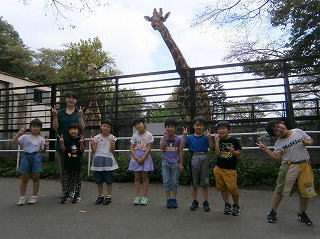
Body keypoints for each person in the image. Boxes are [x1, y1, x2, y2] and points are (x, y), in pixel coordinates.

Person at [257, 120, 317, 225]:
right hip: (288, 166)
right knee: (280, 190)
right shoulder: (279, 143)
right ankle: (273, 211)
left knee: (306, 190)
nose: (279, 130)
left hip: (305, 165)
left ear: (282, 123)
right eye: (276, 131)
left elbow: (310, 140)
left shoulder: (298, 131)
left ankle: (302, 213)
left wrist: (307, 143)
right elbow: (277, 157)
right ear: (275, 135)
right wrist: (266, 149)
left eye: (278, 126)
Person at [51, 91, 85, 197]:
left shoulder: (79, 112)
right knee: (63, 169)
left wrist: (80, 117)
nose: (71, 99)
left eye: (73, 98)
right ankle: (65, 189)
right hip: (62, 145)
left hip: (75, 146)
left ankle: (72, 190)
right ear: (65, 99)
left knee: (74, 169)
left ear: (76, 101)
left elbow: (82, 128)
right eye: (69, 97)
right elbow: (55, 128)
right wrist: (55, 116)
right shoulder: (59, 112)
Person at [180, 116, 213, 212]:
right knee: (194, 182)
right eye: (197, 125)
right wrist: (184, 136)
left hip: (204, 158)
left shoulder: (206, 137)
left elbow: (211, 148)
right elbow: (181, 147)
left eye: (201, 125)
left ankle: (206, 202)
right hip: (193, 158)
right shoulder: (189, 137)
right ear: (193, 126)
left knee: (205, 182)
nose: (199, 127)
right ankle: (194, 201)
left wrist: (210, 139)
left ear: (204, 127)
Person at [12, 119, 48, 205]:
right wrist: (19, 134)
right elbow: (14, 142)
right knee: (24, 178)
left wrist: (46, 146)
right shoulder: (24, 137)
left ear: (40, 128)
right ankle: (22, 197)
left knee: (36, 178)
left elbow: (43, 151)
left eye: (38, 127)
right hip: (26, 156)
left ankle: (34, 196)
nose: (35, 128)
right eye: (33, 126)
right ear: (30, 127)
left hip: (36, 157)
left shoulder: (41, 139)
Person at [213, 121, 242, 216]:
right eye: (219, 129)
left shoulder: (234, 141)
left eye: (223, 128)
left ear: (228, 130)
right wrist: (216, 142)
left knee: (233, 188)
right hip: (219, 168)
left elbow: (238, 154)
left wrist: (233, 152)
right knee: (222, 188)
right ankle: (227, 204)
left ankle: (236, 205)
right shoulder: (217, 140)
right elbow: (217, 154)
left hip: (230, 169)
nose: (221, 130)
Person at [90, 119, 118, 205]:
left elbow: (112, 151)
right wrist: (91, 143)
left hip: (108, 160)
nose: (106, 128)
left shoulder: (112, 137)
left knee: (109, 180)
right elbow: (94, 150)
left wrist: (113, 143)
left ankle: (108, 196)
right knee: (99, 180)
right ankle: (100, 196)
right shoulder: (96, 137)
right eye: (104, 126)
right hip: (98, 160)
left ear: (110, 129)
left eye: (108, 127)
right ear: (101, 126)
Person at [128, 117, 154, 206]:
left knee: (145, 178)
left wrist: (143, 158)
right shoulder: (135, 135)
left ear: (144, 123)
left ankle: (145, 197)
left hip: (145, 157)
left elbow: (149, 148)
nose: (137, 126)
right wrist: (136, 158)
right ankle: (137, 197)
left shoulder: (149, 135)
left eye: (139, 123)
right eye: (135, 125)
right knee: (137, 178)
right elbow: (131, 148)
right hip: (136, 157)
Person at [58, 123, 85, 204]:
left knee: (77, 180)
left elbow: (82, 150)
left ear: (78, 130)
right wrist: (62, 143)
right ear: (68, 131)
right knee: (67, 179)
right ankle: (66, 195)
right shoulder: (66, 139)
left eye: (75, 129)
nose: (73, 131)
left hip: (77, 163)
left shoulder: (81, 139)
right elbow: (63, 150)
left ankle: (77, 195)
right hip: (68, 163)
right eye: (71, 129)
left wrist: (81, 143)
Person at [159, 118, 183, 208]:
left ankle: (174, 199)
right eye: (168, 126)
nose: (170, 128)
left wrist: (181, 163)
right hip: (165, 162)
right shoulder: (163, 138)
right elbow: (161, 148)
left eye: (172, 126)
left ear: (175, 128)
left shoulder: (178, 138)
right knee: (166, 181)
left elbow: (180, 151)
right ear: (165, 128)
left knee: (174, 181)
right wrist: (165, 138)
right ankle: (168, 199)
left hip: (176, 163)